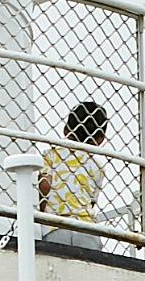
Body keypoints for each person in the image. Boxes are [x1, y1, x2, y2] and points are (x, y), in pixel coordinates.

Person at [38, 96, 114, 227]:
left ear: (66, 130)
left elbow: (44, 185)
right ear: (100, 139)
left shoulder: (50, 155)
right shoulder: (97, 167)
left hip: (54, 224)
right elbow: (91, 201)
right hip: (86, 226)